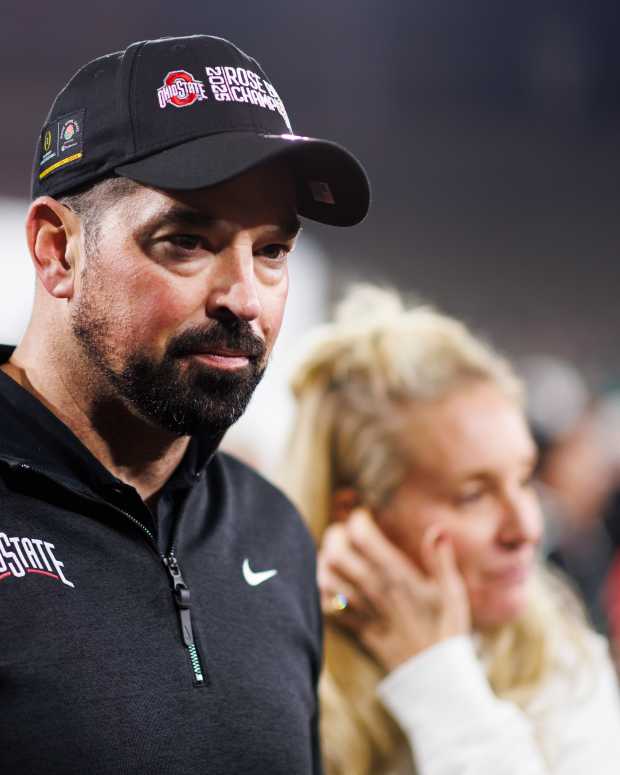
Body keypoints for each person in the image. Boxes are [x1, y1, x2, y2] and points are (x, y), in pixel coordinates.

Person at [0, 35, 369, 774]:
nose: (245, 299)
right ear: (55, 250)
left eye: (271, 250)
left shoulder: (274, 532)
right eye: (188, 240)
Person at [282, 285, 620, 775]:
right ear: (355, 517)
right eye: (473, 495)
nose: (526, 527)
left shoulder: (562, 656)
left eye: (524, 479)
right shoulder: (278, 665)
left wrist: (436, 675)